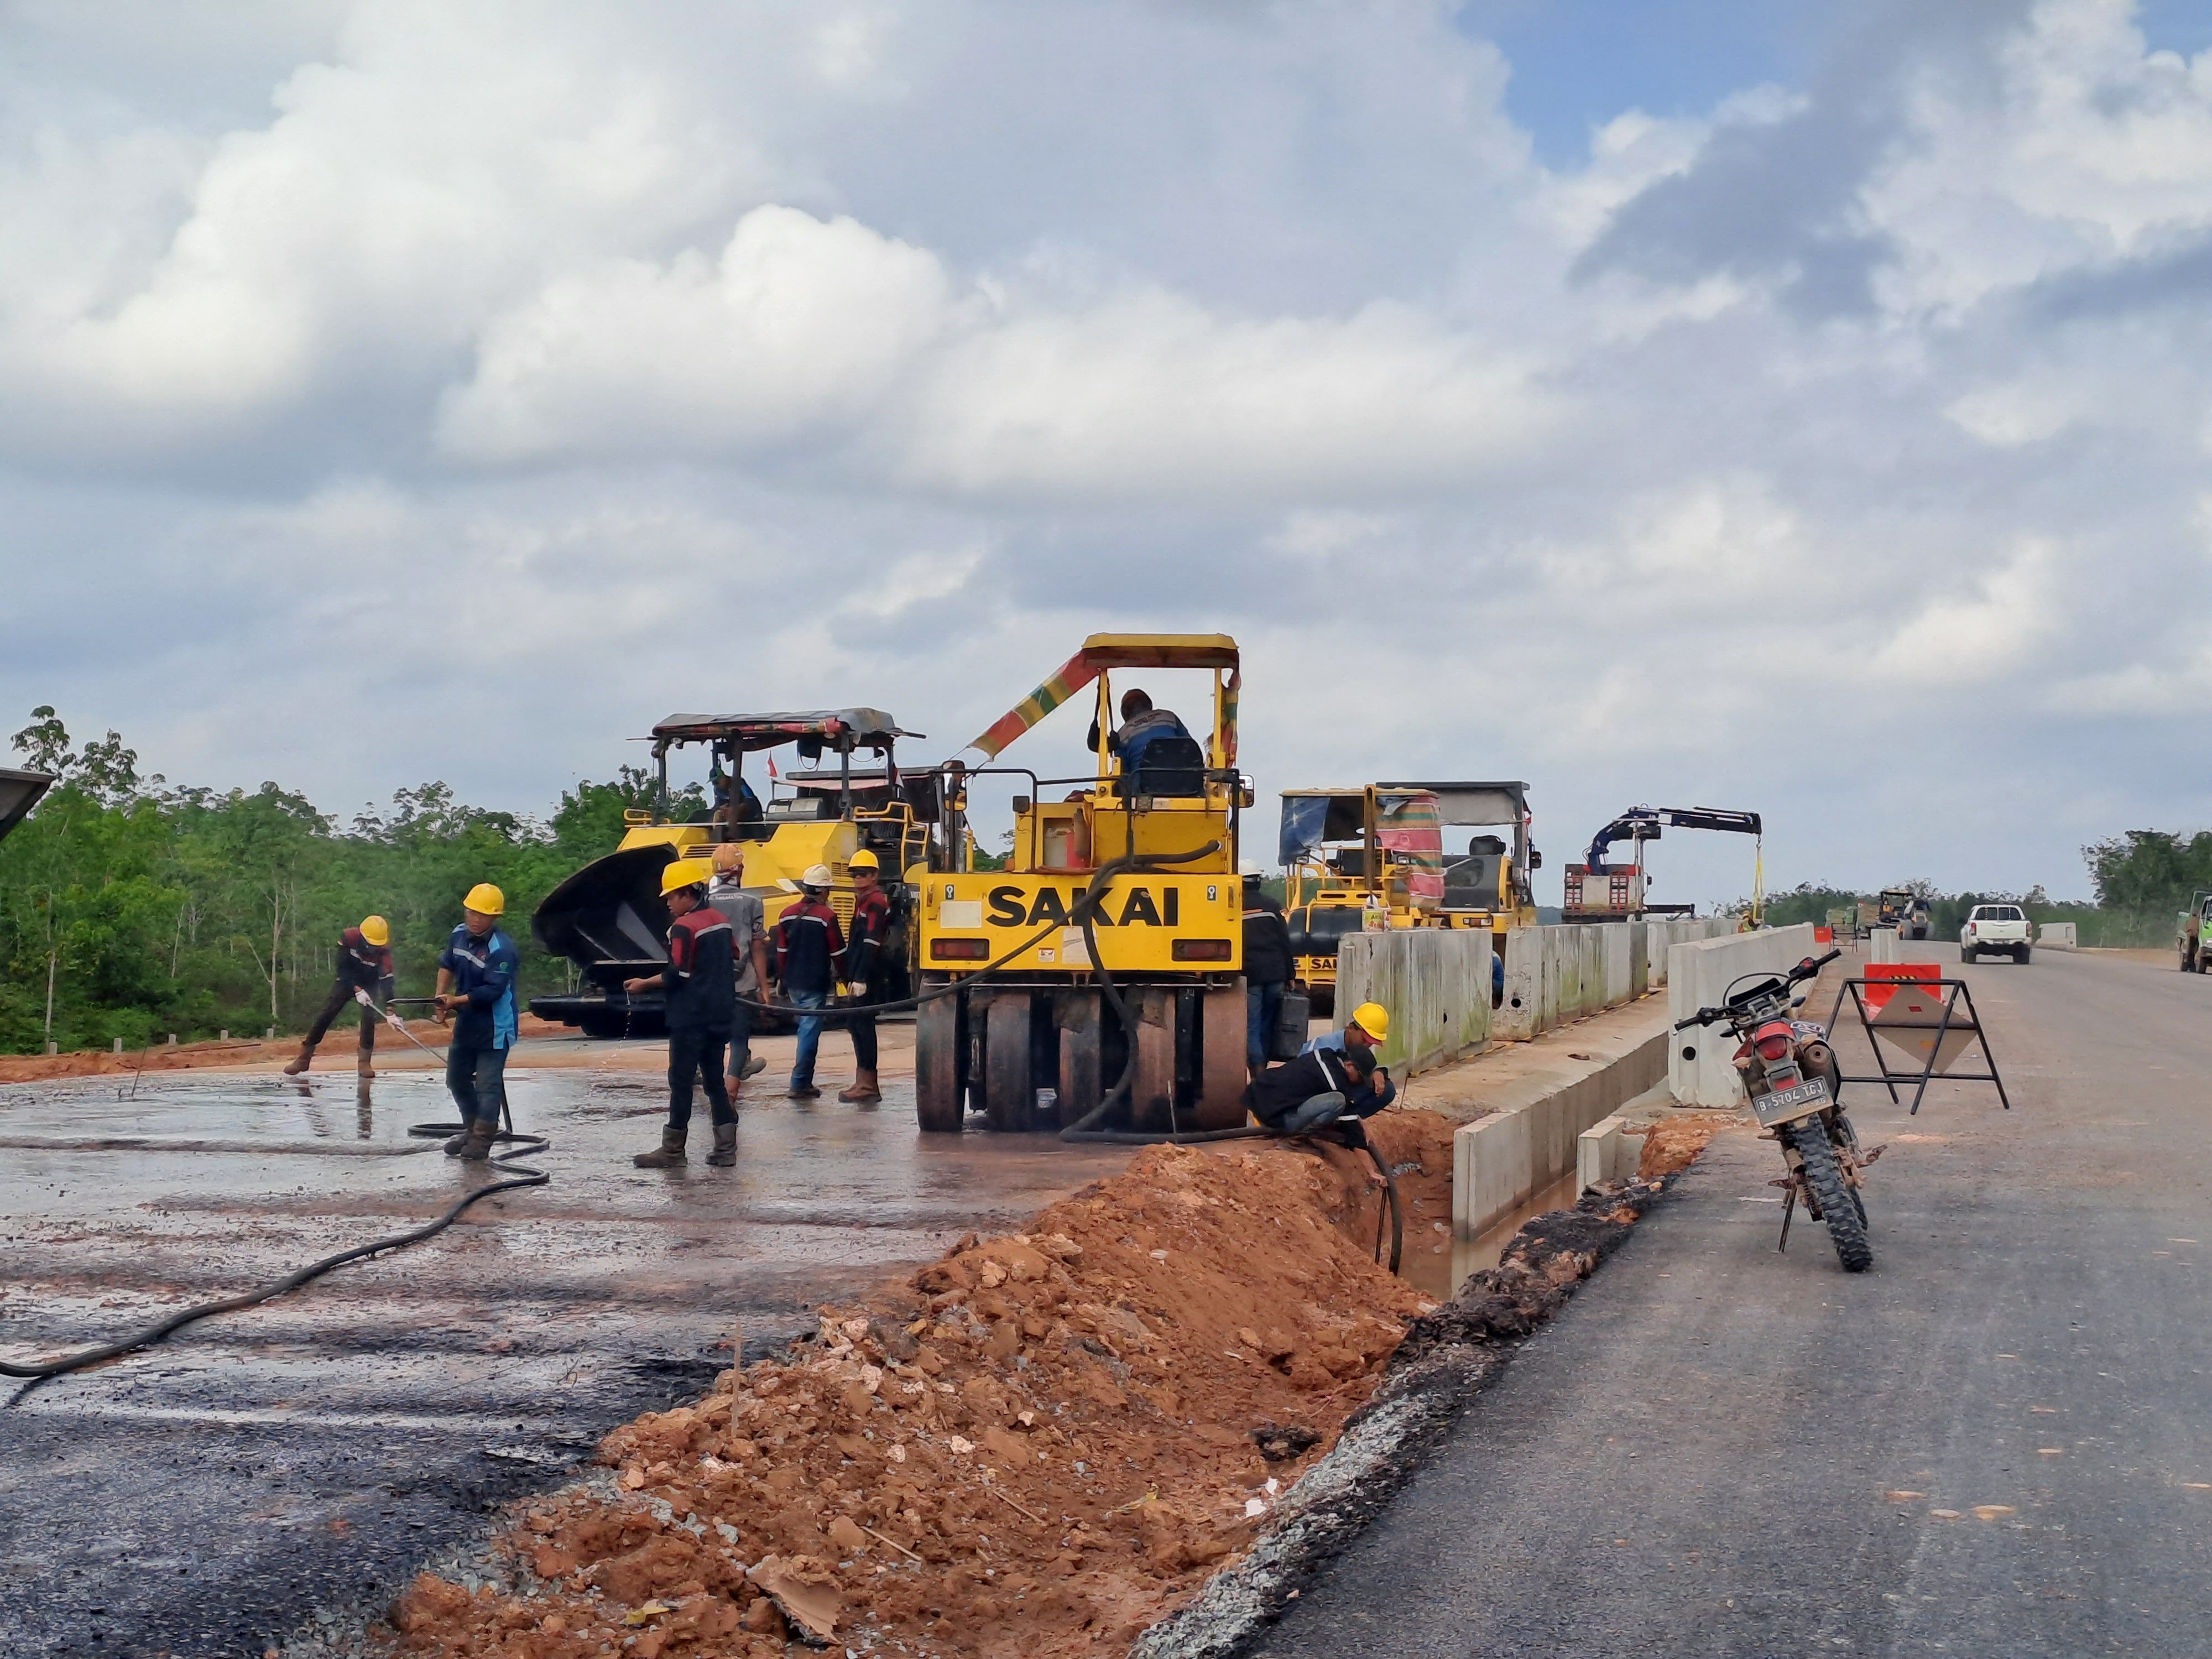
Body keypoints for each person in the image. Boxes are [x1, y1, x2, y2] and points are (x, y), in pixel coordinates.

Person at [625, 859, 738, 1167]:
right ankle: (726, 1150)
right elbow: (735, 957)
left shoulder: (683, 927)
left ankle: (673, 1150)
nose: (669, 903)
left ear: (688, 894)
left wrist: (644, 984)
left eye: (672, 897)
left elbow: (678, 974)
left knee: (681, 1080)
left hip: (691, 1017)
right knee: (715, 1081)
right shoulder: (721, 920)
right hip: (719, 1014)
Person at [434, 883, 520, 1160]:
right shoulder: (458, 935)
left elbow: (492, 992)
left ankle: (482, 1140)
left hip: (495, 1025)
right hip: (468, 1022)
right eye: (472, 912)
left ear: (494, 917)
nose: (475, 919)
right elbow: (447, 964)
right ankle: (471, 1128)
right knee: (457, 1079)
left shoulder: (502, 949)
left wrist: (454, 1001)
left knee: (488, 1084)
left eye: (482, 915)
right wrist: (440, 998)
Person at [285, 915, 398, 1078]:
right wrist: (356, 989)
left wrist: (390, 1009)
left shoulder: (383, 949)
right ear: (363, 936)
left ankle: (364, 1062)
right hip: (348, 979)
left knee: (368, 1018)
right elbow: (342, 969)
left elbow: (387, 978)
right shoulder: (349, 938)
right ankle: (304, 1058)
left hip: (370, 982)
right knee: (327, 1013)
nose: (374, 948)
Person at [775, 862, 846, 1100]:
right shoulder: (827, 916)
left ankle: (804, 1081)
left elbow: (782, 952)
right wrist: (848, 978)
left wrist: (783, 980)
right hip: (814, 982)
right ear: (824, 891)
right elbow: (837, 953)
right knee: (809, 1031)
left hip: (793, 981)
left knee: (806, 1028)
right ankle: (799, 1083)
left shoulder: (786, 915)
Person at [706, 843, 770, 1097]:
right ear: (739, 870)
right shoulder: (752, 902)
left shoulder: (704, 901)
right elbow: (757, 947)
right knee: (739, 1037)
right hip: (742, 983)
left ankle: (716, 1091)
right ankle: (731, 1092)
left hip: (709, 983)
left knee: (713, 1039)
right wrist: (765, 988)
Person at [838, 849, 892, 1103]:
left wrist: (861, 978)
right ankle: (863, 1081)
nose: (858, 878)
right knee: (856, 1026)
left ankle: (868, 1085)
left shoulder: (875, 902)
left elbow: (872, 942)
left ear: (874, 875)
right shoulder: (864, 900)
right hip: (861, 973)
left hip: (870, 974)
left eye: (863, 873)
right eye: (854, 874)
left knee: (863, 1026)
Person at [1243, 1037, 1381, 1135]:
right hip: (1275, 1117)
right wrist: (1370, 1169)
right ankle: (1295, 1137)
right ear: (1350, 1066)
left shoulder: (1325, 1054)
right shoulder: (1335, 1082)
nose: (1360, 1082)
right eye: (1360, 1077)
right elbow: (1351, 1125)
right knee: (1338, 1101)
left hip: (1257, 1097)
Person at [1300, 999, 1398, 1114]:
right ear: (1351, 1028)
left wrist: (1378, 1072)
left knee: (1387, 1090)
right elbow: (1303, 1081)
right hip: (1313, 1097)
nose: (1367, 1045)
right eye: (1365, 1040)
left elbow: (1369, 1067)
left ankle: (1347, 1119)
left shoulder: (1357, 1047)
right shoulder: (1323, 1047)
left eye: (1371, 1042)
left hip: (1340, 1093)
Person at [1240, 864, 1291, 1074]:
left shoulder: (1233, 909)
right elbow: (1285, 942)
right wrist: (1291, 975)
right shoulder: (1271, 906)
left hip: (1252, 975)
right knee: (1268, 1022)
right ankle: (1264, 1066)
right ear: (1258, 880)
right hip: (1276, 974)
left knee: (1252, 1024)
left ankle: (1257, 1070)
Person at [1086, 688, 1191, 772]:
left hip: (1144, 786)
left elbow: (1123, 771)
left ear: (1125, 712)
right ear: (1149, 704)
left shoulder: (1123, 734)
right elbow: (1189, 745)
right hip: (1185, 780)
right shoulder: (1168, 716)